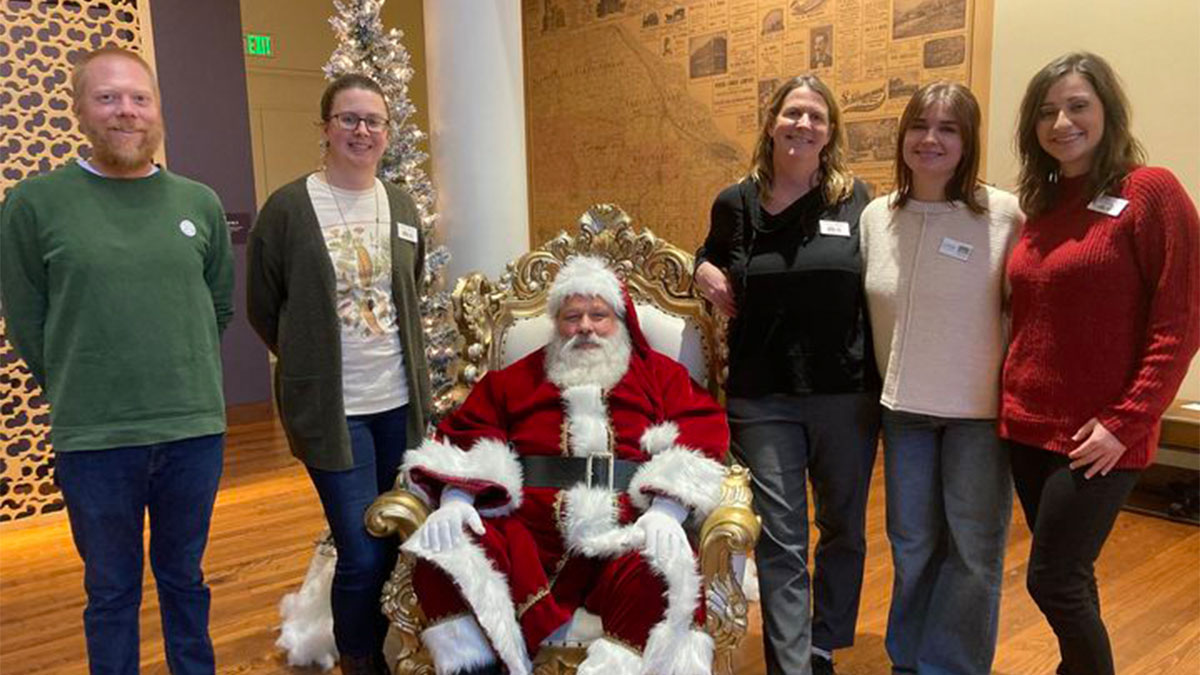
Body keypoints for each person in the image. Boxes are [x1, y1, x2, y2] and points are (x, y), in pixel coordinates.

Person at [0, 47, 233, 674]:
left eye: (138, 98)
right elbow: (26, 319)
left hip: (192, 432)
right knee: (110, 592)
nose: (125, 111)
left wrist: (177, 370)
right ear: (79, 109)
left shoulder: (199, 203)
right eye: (107, 98)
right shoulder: (34, 205)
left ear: (157, 111)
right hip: (96, 439)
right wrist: (86, 382)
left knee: (186, 580)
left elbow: (216, 307)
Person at [400, 255, 729, 675]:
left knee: (662, 573)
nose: (586, 327)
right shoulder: (515, 380)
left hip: (627, 529)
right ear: (556, 322)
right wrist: (459, 496)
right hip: (530, 536)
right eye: (573, 316)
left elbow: (701, 428)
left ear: (619, 320)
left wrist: (669, 509)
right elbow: (471, 431)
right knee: (445, 554)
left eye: (598, 315)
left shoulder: (660, 377)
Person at [1004, 51, 1199, 675]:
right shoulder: (1041, 204)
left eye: (1077, 105)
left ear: (1108, 111)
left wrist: (1128, 421)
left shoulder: (1150, 192)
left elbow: (1182, 320)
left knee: (1052, 580)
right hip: (1027, 426)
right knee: (1072, 575)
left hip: (1100, 435)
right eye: (1047, 111)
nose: (1062, 122)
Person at [245, 74, 432, 675]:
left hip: (400, 407)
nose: (362, 131)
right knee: (358, 548)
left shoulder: (401, 205)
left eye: (374, 120)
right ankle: (360, 659)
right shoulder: (289, 209)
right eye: (349, 119)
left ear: (387, 130)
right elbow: (263, 305)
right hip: (334, 412)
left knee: (400, 538)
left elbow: (412, 284)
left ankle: (396, 645)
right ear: (325, 128)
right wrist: (307, 362)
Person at [695, 75, 880, 675]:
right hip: (762, 394)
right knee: (781, 539)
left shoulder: (859, 202)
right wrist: (701, 270)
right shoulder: (735, 202)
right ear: (771, 122)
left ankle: (823, 641)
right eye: (793, 114)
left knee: (843, 528)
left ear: (831, 133)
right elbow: (708, 254)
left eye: (816, 118)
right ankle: (792, 664)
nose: (803, 125)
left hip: (844, 393)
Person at [860, 82, 1022, 675]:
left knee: (974, 552)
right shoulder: (878, 217)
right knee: (912, 547)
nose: (930, 139)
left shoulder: (1002, 214)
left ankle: (951, 667)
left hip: (977, 413)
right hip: (903, 413)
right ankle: (910, 660)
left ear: (969, 141)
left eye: (948, 128)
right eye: (919, 125)